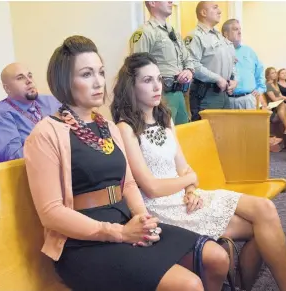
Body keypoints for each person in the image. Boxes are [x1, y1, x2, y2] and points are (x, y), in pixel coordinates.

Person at [23, 35, 229, 291]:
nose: (99, 82)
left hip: (125, 221)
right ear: (65, 81)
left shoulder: (107, 126)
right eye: (86, 74)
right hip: (81, 243)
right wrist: (118, 233)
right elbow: (51, 213)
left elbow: (128, 184)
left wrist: (143, 219)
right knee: (188, 285)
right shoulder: (45, 134)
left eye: (100, 72)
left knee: (217, 257)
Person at [111, 52, 286, 291]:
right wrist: (189, 181)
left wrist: (191, 189)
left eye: (159, 79)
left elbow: (184, 167)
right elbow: (151, 187)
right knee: (261, 229)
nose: (157, 86)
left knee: (265, 209)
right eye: (147, 80)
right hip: (160, 208)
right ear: (131, 86)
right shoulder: (125, 128)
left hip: (185, 199)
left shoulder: (165, 119)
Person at [0, 63, 61, 165]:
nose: (29, 81)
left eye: (30, 76)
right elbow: (16, 158)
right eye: (20, 78)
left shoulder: (52, 101)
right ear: (7, 88)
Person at [129, 1, 194, 125]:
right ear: (152, 2)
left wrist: (189, 70)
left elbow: (188, 59)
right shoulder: (145, 32)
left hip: (180, 94)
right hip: (161, 96)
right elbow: (136, 69)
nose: (171, 1)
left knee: (183, 137)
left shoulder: (173, 32)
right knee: (164, 135)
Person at [185, 1, 237, 121]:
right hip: (206, 93)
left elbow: (233, 61)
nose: (219, 11)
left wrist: (234, 80)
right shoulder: (195, 36)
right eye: (215, 8)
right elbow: (192, 65)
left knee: (225, 133)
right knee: (207, 135)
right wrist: (217, 78)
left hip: (224, 94)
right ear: (203, 12)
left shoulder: (220, 37)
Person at [222, 19, 267, 110]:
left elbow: (259, 70)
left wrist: (260, 89)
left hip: (248, 99)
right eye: (235, 29)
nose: (239, 32)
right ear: (225, 34)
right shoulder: (220, 52)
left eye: (240, 29)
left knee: (251, 124)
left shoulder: (249, 51)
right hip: (227, 100)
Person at [264, 67, 286, 135]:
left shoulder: (275, 84)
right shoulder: (268, 85)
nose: (275, 74)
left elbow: (281, 96)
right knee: (282, 104)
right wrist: (282, 99)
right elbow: (274, 99)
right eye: (272, 73)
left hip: (278, 103)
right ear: (268, 75)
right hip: (272, 106)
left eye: (275, 72)